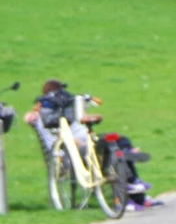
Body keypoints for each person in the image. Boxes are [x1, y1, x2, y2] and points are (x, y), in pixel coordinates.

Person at [24, 80, 160, 210]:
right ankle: (130, 195)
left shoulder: (66, 111)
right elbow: (55, 140)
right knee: (114, 153)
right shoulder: (45, 118)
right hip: (73, 152)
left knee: (119, 142)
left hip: (87, 144)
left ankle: (132, 177)